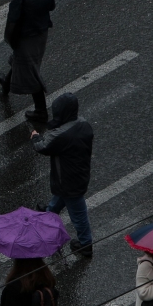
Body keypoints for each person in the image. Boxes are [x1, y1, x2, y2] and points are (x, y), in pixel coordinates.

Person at [31, 92, 94, 258]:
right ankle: (49, 213)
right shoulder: (84, 125)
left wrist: (35, 137)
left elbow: (43, 147)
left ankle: (86, 244)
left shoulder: (61, 135)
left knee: (78, 213)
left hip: (67, 180)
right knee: (60, 197)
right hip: (79, 174)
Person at [0, 0, 56, 123]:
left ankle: (41, 111)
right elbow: (52, 6)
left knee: (30, 70)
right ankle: (6, 84)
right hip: (41, 34)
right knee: (22, 61)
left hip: (26, 38)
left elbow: (12, 19)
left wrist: (9, 39)